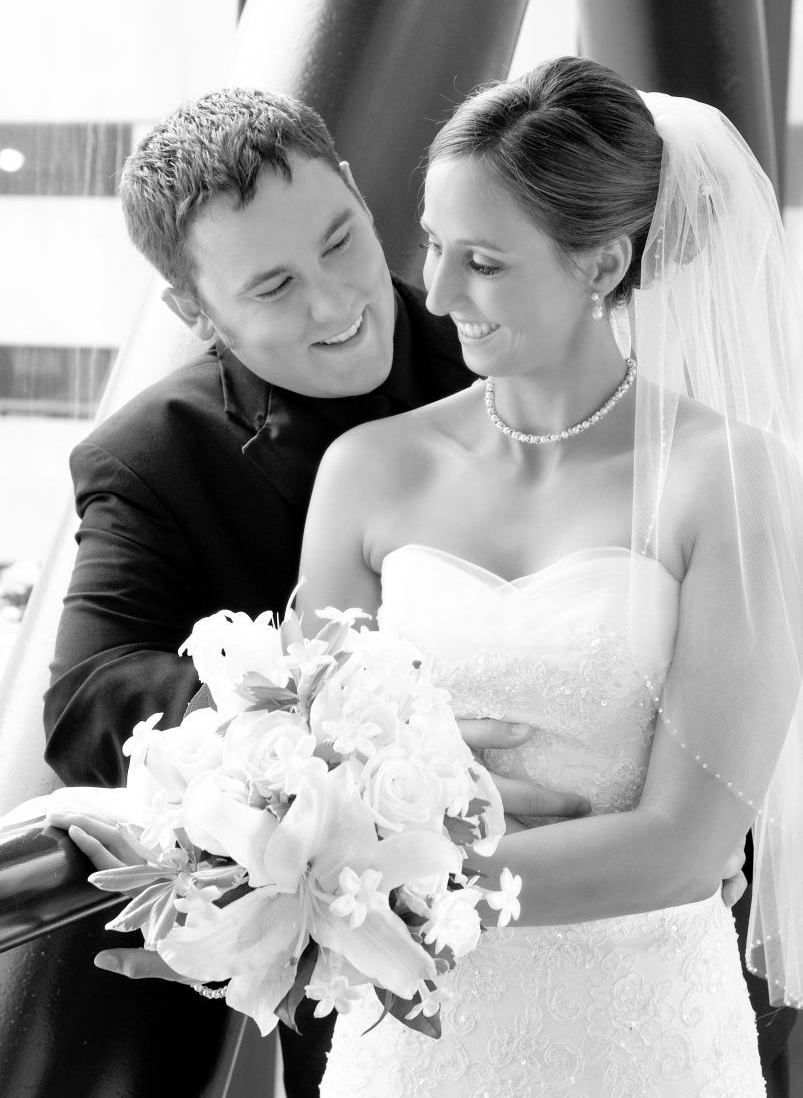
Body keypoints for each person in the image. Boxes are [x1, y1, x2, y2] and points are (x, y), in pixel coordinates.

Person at [41, 87, 594, 1098]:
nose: (336, 303)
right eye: (275, 287)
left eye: (340, 242)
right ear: (195, 314)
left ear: (357, 192)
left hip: (620, 922)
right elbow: (87, 699)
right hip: (383, 992)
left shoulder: (532, 342)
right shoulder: (150, 460)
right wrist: (315, 731)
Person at [295, 56, 803, 1095]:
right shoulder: (366, 471)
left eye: (481, 261)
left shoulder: (726, 477)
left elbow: (681, 847)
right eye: (433, 245)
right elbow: (297, 761)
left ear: (603, 264)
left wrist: (391, 872)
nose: (434, 294)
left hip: (638, 1037)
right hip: (411, 1043)